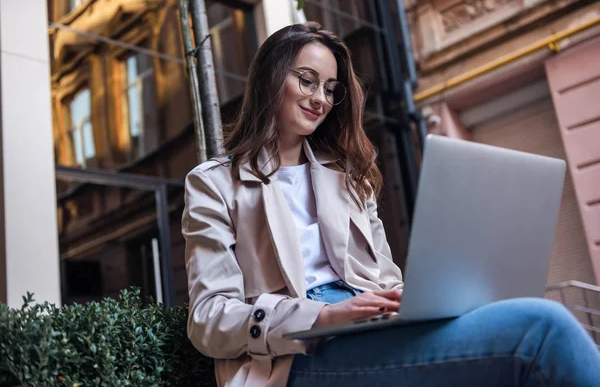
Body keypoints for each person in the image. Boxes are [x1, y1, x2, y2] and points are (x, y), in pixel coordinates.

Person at [182, 22, 600, 387]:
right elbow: (208, 318)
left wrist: (419, 300)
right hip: (296, 353)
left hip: (374, 325)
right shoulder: (215, 183)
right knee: (544, 329)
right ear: (270, 80)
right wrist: (321, 317)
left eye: (330, 89)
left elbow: (384, 278)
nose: (321, 99)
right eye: (307, 80)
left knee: (529, 320)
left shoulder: (347, 176)